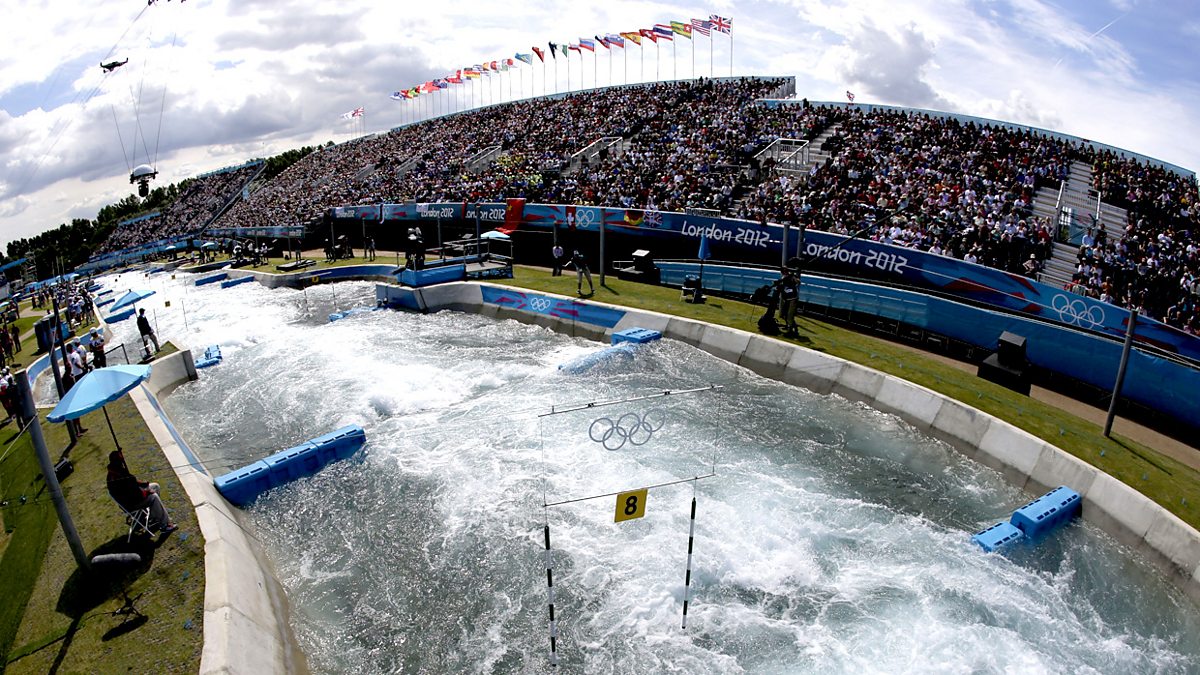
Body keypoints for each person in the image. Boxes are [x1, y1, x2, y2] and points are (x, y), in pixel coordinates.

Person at [106, 450, 177, 533]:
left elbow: (133, 482)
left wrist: (144, 484)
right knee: (154, 497)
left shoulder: (116, 471)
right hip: (132, 503)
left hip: (133, 496)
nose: (123, 459)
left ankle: (153, 517)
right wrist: (147, 492)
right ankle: (165, 525)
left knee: (155, 486)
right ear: (118, 461)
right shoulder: (118, 476)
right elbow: (134, 494)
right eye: (121, 458)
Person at [776, 270, 800, 337]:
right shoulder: (783, 278)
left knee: (790, 315)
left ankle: (791, 330)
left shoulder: (792, 277)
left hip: (793, 299)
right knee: (784, 314)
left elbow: (798, 282)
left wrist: (793, 277)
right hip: (786, 299)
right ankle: (789, 326)